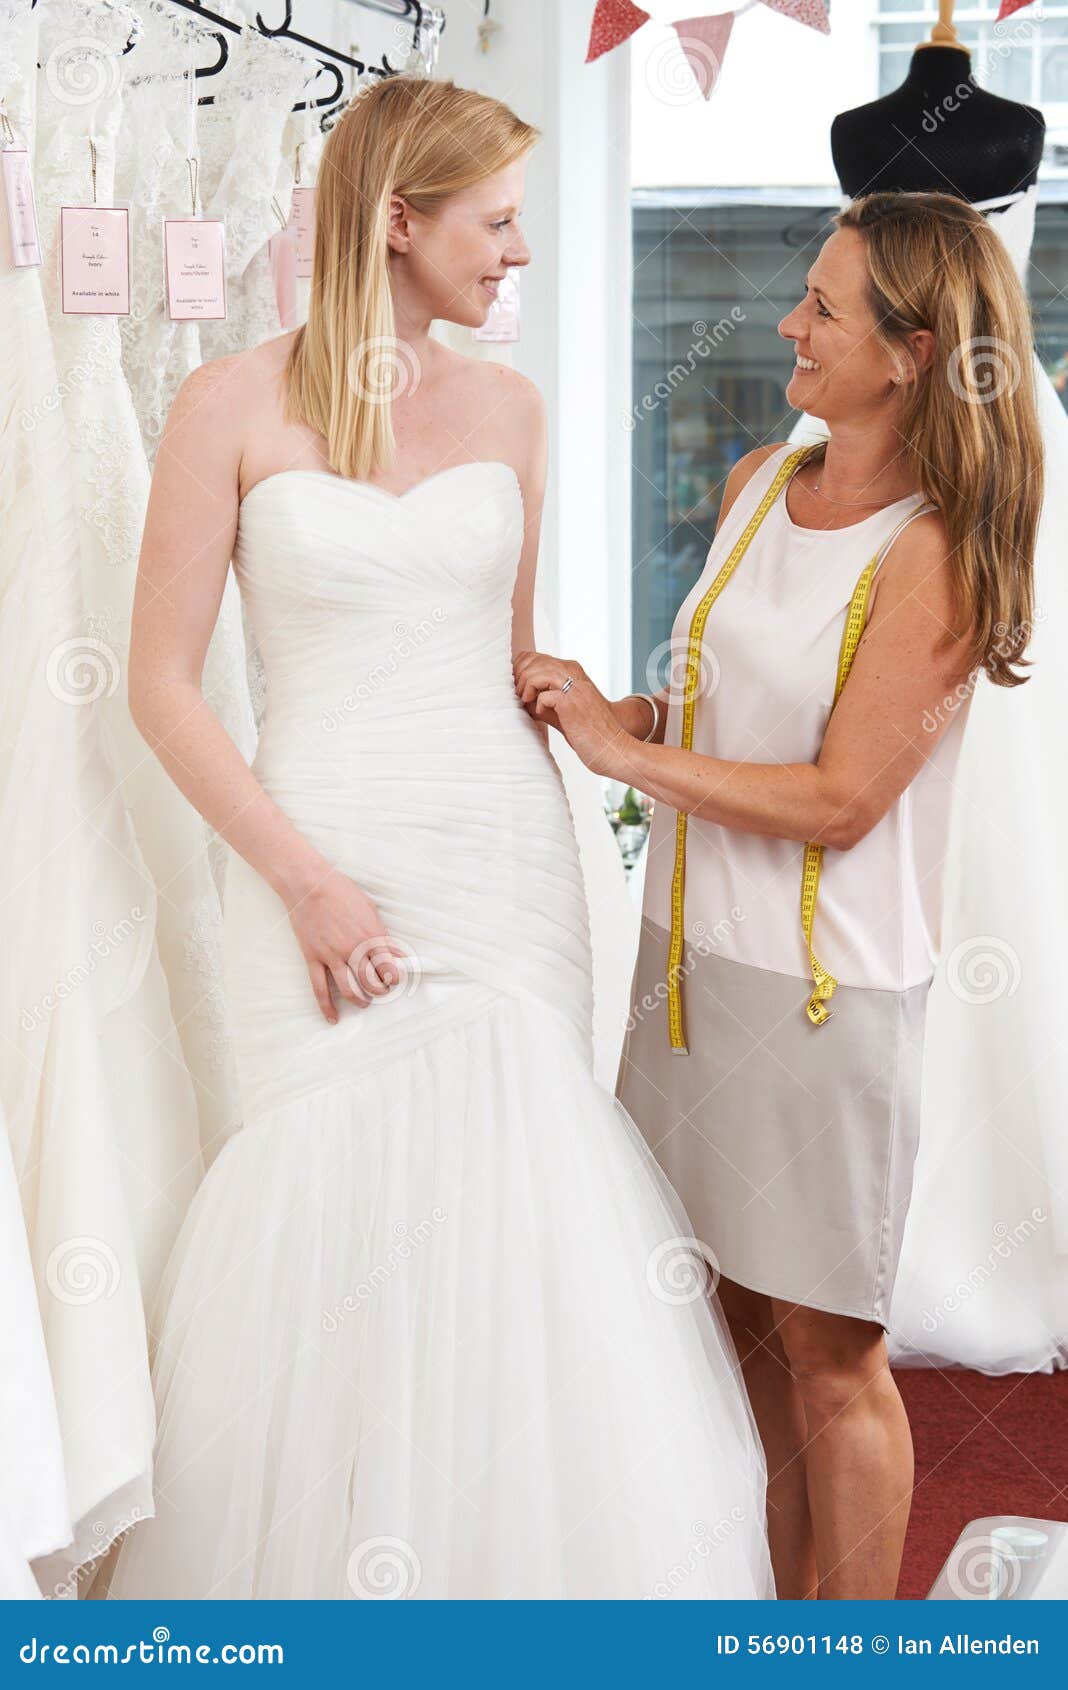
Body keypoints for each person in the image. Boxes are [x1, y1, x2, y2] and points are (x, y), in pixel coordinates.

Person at [104, 76, 774, 1600]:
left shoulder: (514, 409)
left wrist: (604, 710)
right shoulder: (229, 402)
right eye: (495, 221)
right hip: (314, 844)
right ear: (396, 222)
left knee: (514, 1223)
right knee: (322, 1216)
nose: (518, 253)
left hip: (501, 853)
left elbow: (507, 650)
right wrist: (307, 881)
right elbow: (158, 686)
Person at [517, 191, 1042, 1598]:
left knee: (832, 1356)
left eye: (823, 307)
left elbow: (838, 798)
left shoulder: (934, 550)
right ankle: (777, 1617)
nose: (787, 324)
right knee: (726, 1327)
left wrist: (629, 754)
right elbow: (701, 713)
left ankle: (853, 1645)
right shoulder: (760, 480)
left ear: (913, 354)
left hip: (823, 1003)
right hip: (684, 972)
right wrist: (598, 706)